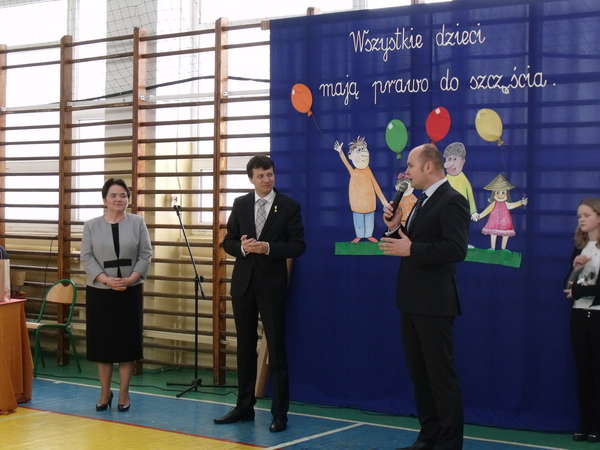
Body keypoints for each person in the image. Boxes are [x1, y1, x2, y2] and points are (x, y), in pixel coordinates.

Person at [379, 144, 470, 450]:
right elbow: (409, 243)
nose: (407, 172)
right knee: (420, 375)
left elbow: (455, 249)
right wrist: (395, 227)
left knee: (440, 377)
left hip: (435, 303)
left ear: (429, 166)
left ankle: (448, 444)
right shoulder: (421, 201)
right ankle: (428, 436)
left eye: (411, 166)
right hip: (411, 299)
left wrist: (412, 249)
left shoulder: (453, 200)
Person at [215, 155, 305, 432]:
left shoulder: (289, 206)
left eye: (270, 174)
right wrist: (242, 247)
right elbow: (227, 242)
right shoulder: (240, 204)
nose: (267, 180)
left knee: (276, 349)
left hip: (272, 286)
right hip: (243, 285)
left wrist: (268, 248)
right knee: (244, 348)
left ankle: (280, 413)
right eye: (261, 176)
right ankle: (244, 407)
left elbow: (298, 246)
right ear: (251, 179)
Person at [80, 178, 152, 412]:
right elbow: (86, 257)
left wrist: (131, 279)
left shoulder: (138, 223)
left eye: (123, 195)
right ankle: (104, 392)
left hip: (130, 292)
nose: (119, 199)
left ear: (128, 199)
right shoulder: (91, 226)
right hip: (100, 292)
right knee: (103, 346)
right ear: (104, 200)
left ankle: (123, 393)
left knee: (126, 345)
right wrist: (105, 279)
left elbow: (145, 254)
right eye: (113, 195)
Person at [563, 198, 600, 443]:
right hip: (579, 316)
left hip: (597, 316)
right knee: (583, 372)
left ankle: (597, 425)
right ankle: (585, 424)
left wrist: (578, 291)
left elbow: (582, 290)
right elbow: (567, 286)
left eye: (586, 215)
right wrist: (576, 269)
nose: (581, 219)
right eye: (579, 216)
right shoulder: (580, 247)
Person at [333, 137, 388, 243]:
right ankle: (359, 235)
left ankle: (368, 235)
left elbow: (376, 186)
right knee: (358, 221)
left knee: (369, 221)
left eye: (363, 149)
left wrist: (384, 202)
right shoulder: (353, 172)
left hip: (369, 204)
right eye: (359, 150)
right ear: (351, 156)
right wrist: (340, 151)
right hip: (357, 205)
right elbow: (346, 163)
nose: (363, 153)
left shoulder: (368, 171)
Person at [475, 174, 527, 250]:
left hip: (505, 222)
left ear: (506, 193)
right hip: (494, 222)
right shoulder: (494, 203)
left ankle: (503, 248)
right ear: (494, 194)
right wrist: (479, 216)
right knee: (493, 234)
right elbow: (487, 210)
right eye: (497, 193)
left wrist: (521, 202)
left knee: (505, 235)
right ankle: (492, 248)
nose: (500, 195)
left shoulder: (506, 203)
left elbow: (512, 205)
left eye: (503, 192)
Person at [443, 142, 478, 222]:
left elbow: (470, 195)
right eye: (449, 159)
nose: (452, 163)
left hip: (461, 211)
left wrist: (473, 212)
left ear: (463, 161)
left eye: (455, 159)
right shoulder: (445, 179)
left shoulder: (464, 179)